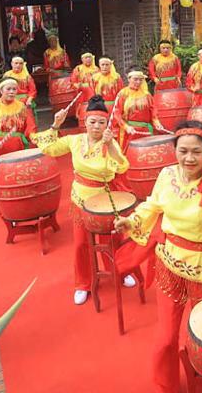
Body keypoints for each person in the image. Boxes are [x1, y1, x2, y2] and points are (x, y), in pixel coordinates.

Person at [114, 121, 202, 393]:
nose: (189, 158)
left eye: (197, 152)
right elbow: (152, 205)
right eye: (183, 151)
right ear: (174, 150)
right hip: (170, 263)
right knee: (166, 337)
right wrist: (131, 221)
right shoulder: (167, 175)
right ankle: (167, 385)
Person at [33, 96, 132, 305]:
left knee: (111, 240)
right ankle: (83, 284)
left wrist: (110, 146)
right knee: (80, 244)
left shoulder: (110, 142)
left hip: (105, 199)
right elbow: (48, 148)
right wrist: (55, 125)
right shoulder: (75, 140)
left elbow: (122, 166)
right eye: (92, 121)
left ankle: (120, 272)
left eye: (101, 122)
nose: (96, 126)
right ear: (85, 122)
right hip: (80, 199)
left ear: (107, 124)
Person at [0, 78, 37, 175]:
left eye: (14, 89)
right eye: (8, 89)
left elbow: (30, 126)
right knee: (1, 175)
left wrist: (33, 136)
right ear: (1, 90)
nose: (11, 92)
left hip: (18, 145)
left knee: (18, 173)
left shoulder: (22, 107)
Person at [112, 70, 163, 148]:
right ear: (129, 79)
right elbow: (117, 113)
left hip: (145, 130)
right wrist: (126, 127)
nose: (138, 82)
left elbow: (153, 110)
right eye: (135, 79)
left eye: (140, 80)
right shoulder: (123, 94)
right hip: (129, 131)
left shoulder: (146, 94)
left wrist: (157, 122)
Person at [70, 52, 99, 121]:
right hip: (83, 95)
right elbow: (73, 82)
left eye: (89, 57)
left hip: (94, 93)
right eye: (86, 58)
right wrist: (79, 85)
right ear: (82, 59)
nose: (88, 59)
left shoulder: (96, 69)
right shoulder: (78, 69)